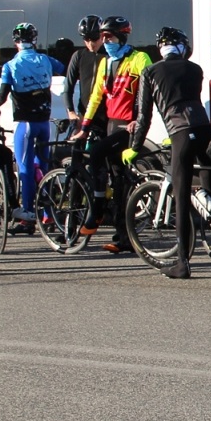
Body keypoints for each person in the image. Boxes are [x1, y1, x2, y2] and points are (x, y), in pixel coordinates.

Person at [128, 27, 211, 279]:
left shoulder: (150, 71)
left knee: (182, 194)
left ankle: (182, 263)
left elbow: (144, 116)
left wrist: (134, 147)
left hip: (180, 134)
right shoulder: (195, 69)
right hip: (204, 132)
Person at [74, 15, 152, 254]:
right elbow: (96, 96)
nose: (105, 41)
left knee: (97, 153)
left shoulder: (139, 58)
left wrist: (138, 121)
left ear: (122, 36)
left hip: (129, 125)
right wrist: (84, 127)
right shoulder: (105, 62)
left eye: (109, 37)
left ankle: (97, 209)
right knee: (119, 183)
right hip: (111, 123)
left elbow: (148, 92)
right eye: (103, 37)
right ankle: (123, 238)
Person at [0, 22, 54, 234]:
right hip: (44, 122)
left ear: (15, 42)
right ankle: (48, 213)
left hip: (26, 123)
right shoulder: (47, 60)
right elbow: (65, 69)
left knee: (25, 169)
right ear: (35, 40)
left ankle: (27, 217)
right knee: (44, 168)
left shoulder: (10, 66)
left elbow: (2, 97)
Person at [65, 14, 104, 129]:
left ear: (102, 35)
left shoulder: (109, 56)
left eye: (95, 38)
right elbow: (68, 87)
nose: (91, 43)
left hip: (106, 116)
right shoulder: (79, 56)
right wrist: (71, 112)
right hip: (84, 114)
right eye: (86, 39)